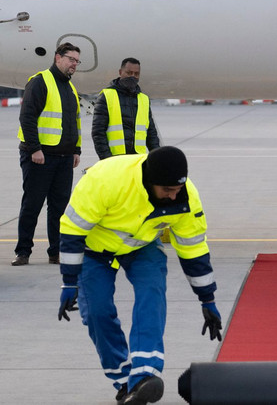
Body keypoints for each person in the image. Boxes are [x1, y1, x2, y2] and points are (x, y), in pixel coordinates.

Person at [57, 146, 222, 405]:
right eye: (167, 190)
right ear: (149, 181)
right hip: (94, 250)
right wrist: (68, 281)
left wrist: (207, 299)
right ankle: (125, 381)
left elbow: (194, 250)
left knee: (151, 295)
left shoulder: (186, 197)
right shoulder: (106, 180)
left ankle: (145, 374)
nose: (173, 195)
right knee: (98, 313)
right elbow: (72, 230)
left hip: (142, 247)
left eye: (177, 190)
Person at [13, 42, 82, 266]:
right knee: (32, 205)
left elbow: (74, 123)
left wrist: (76, 150)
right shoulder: (40, 81)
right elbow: (28, 117)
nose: (74, 64)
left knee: (59, 209)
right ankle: (23, 252)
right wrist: (35, 149)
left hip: (63, 158)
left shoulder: (70, 88)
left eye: (77, 61)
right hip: (40, 157)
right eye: (71, 59)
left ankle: (56, 252)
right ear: (57, 58)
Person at [92, 57, 161, 160]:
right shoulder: (107, 95)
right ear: (120, 72)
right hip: (115, 159)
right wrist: (106, 159)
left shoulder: (144, 99)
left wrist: (158, 157)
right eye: (129, 73)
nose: (132, 76)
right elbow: (98, 132)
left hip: (137, 159)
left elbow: (151, 134)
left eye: (136, 74)